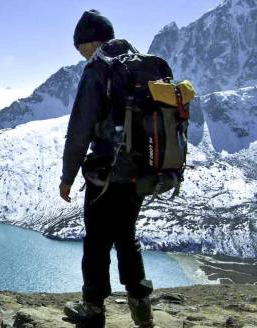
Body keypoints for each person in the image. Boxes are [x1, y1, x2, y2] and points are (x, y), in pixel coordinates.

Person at [59, 9, 155, 328]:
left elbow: (79, 129)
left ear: (91, 41)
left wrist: (67, 177)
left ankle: (93, 307)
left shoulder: (99, 67)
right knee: (126, 235)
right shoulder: (143, 65)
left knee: (97, 239)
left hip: (107, 170)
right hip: (142, 170)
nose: (82, 54)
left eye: (81, 47)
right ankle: (140, 302)